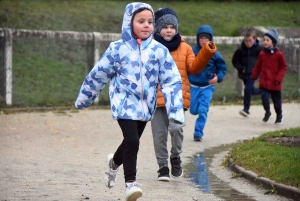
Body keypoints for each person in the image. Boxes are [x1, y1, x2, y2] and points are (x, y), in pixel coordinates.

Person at [74, 2, 185, 201]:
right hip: (124, 103)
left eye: (150, 22)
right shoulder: (117, 49)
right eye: (141, 21)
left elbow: (171, 80)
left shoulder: (159, 51)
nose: (146, 25)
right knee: (133, 141)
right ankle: (130, 184)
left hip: (146, 107)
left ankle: (113, 164)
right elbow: (99, 74)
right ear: (129, 23)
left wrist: (175, 110)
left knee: (129, 142)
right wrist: (85, 97)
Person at [151, 8, 217, 181]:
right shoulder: (151, 47)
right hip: (156, 99)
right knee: (159, 136)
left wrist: (206, 52)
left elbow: (194, 68)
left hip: (177, 98)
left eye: (172, 27)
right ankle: (163, 167)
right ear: (158, 28)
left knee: (177, 129)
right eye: (165, 26)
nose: (169, 30)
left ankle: (175, 156)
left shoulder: (185, 47)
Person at [188, 25, 227, 142]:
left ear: (210, 40)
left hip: (208, 86)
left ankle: (198, 133)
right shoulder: (192, 51)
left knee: (203, 110)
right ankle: (197, 113)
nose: (204, 40)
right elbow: (187, 65)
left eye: (206, 38)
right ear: (197, 39)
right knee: (193, 110)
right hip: (194, 86)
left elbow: (222, 67)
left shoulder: (214, 53)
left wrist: (218, 77)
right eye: (201, 38)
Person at [251, 28, 287, 124]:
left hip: (275, 83)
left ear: (273, 42)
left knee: (277, 103)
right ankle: (267, 112)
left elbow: (283, 67)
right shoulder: (262, 54)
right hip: (264, 83)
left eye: (268, 40)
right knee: (264, 99)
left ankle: (279, 115)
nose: (265, 42)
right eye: (264, 40)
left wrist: (278, 78)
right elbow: (258, 66)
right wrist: (254, 76)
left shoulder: (279, 54)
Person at [232, 28, 263, 117]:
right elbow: (235, 60)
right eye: (246, 41)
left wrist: (260, 74)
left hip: (254, 74)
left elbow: (263, 62)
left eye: (250, 41)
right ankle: (264, 91)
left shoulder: (259, 49)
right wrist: (240, 68)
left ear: (255, 39)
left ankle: (246, 109)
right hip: (244, 74)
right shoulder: (241, 50)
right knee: (250, 90)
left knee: (247, 89)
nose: (248, 43)